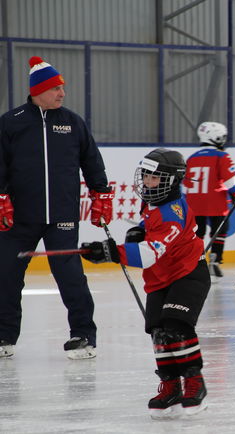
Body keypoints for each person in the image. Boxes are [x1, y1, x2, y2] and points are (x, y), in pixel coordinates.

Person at [80, 148, 211, 419]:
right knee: (159, 331)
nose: (148, 182)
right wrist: (139, 229)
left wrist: (110, 252)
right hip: (159, 277)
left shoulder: (173, 211)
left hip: (188, 273)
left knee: (176, 324)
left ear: (172, 180)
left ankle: (194, 380)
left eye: (155, 178)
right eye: (146, 176)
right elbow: (149, 225)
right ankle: (171, 384)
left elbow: (149, 253)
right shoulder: (153, 201)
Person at [0, 56, 114, 360]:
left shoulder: (72, 121)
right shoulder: (11, 122)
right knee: (6, 275)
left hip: (62, 217)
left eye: (62, 88)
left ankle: (83, 336)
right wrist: (1, 197)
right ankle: (4, 337)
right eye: (56, 88)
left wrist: (101, 193)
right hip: (19, 219)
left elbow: (91, 160)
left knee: (70, 276)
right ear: (38, 90)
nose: (62, 93)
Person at [183, 122, 235, 279]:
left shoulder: (191, 158)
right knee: (221, 229)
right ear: (215, 137)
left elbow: (185, 186)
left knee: (198, 232)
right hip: (215, 201)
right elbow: (230, 179)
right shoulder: (221, 156)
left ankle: (194, 260)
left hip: (193, 203)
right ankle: (215, 260)